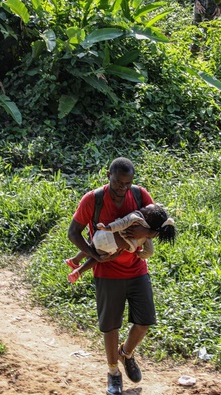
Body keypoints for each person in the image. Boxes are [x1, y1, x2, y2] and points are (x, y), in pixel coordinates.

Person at [67, 157, 158, 395]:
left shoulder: (139, 195)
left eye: (127, 184)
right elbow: (73, 233)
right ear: (108, 176)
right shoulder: (93, 199)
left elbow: (158, 225)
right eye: (119, 183)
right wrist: (93, 255)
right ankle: (113, 373)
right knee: (110, 327)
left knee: (145, 320)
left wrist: (145, 231)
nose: (123, 189)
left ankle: (126, 353)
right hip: (107, 273)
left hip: (137, 270)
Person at [66, 203, 176, 283]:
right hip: (111, 247)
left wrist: (108, 227)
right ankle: (78, 271)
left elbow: (121, 223)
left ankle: (75, 260)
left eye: (144, 208)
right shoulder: (147, 237)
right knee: (97, 257)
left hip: (105, 235)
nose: (142, 207)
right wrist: (140, 254)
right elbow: (149, 252)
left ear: (147, 216)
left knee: (91, 248)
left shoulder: (136, 217)